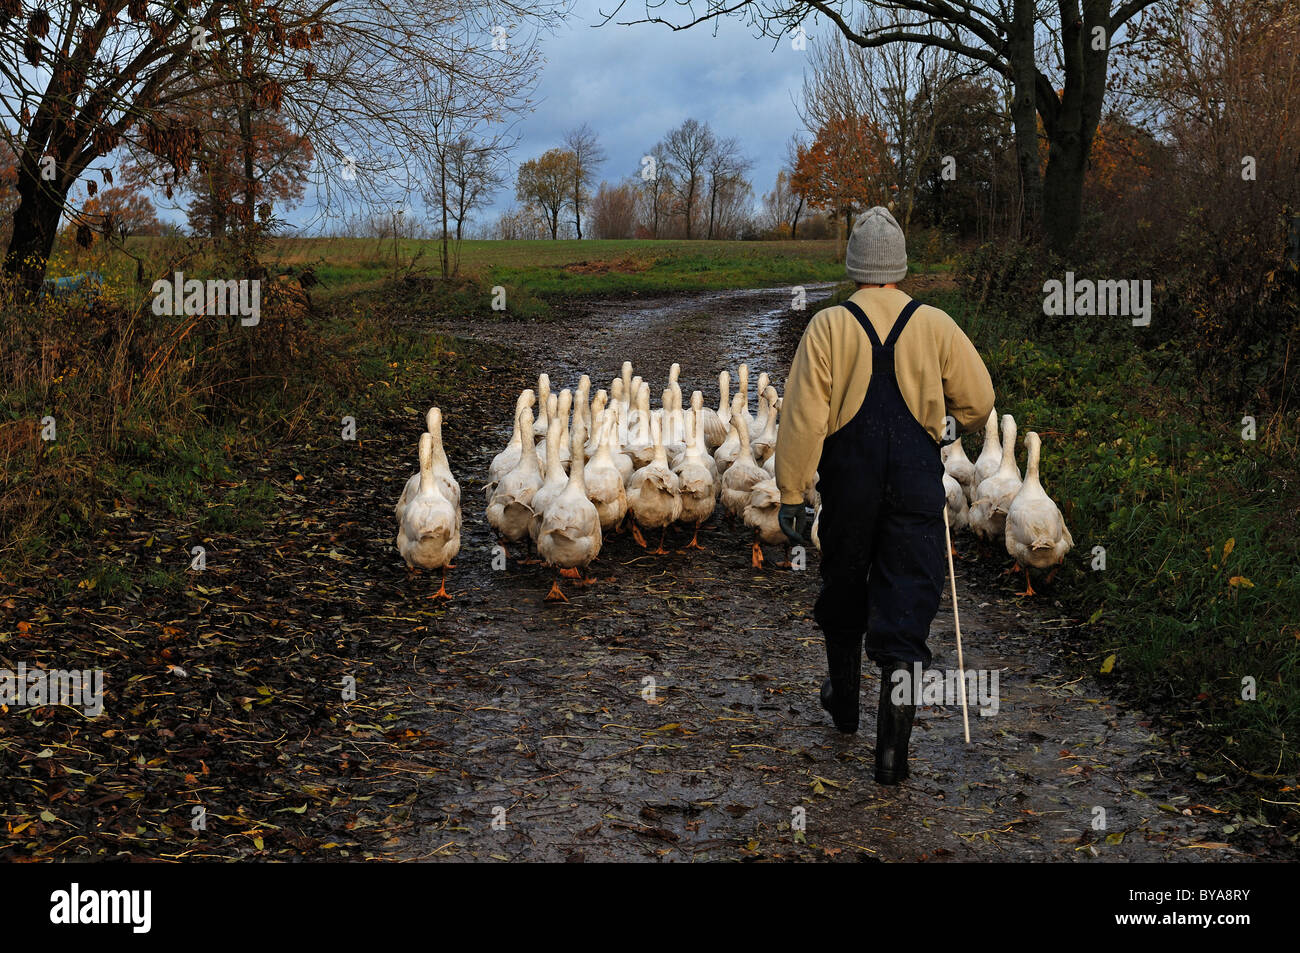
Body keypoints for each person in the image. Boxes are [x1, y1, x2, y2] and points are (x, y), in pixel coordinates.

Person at [774, 207, 995, 784]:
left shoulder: (827, 326)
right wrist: (946, 425)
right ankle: (891, 756)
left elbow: (802, 419)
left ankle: (844, 707)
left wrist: (792, 493)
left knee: (844, 588)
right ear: (900, 265)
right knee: (905, 607)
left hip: (849, 486)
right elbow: (979, 400)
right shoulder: (936, 324)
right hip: (915, 488)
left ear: (852, 267)